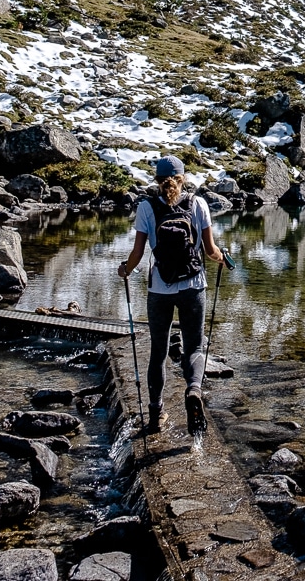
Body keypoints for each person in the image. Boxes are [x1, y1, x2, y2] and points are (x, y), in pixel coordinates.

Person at [117, 155, 224, 433]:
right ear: (183, 178)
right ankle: (193, 390)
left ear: (156, 179)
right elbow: (211, 251)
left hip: (159, 288)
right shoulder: (197, 203)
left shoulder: (146, 207)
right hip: (193, 286)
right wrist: (223, 259)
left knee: (158, 352)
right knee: (194, 348)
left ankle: (156, 415)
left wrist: (125, 270)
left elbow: (138, 254)